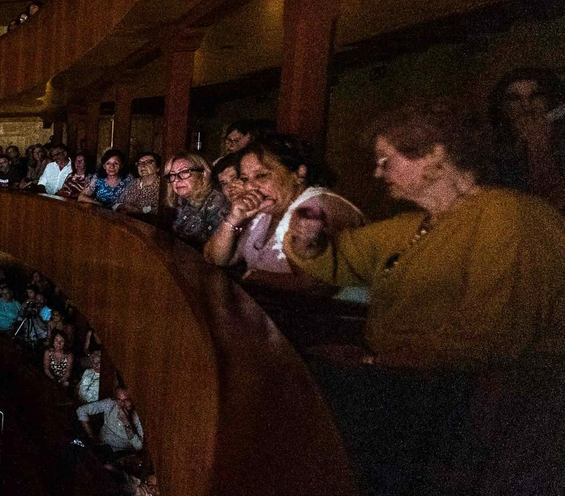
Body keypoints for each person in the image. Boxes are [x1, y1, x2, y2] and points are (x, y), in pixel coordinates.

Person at [285, 99, 565, 370]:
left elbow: (490, 336)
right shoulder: (412, 224)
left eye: (385, 161)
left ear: (435, 155)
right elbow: (342, 256)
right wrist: (309, 241)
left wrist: (372, 362)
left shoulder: (509, 216)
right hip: (406, 378)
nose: (377, 173)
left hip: (469, 397)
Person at [204, 134, 362, 286]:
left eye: (261, 176)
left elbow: (316, 285)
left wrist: (256, 277)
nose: (250, 187)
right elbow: (215, 259)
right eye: (245, 179)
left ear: (299, 173)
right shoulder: (266, 209)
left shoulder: (317, 207)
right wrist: (233, 219)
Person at [488, 67, 564, 205]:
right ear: (503, 107)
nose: (526, 106)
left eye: (535, 96)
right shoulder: (493, 153)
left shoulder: (561, 142)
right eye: (515, 98)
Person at [165, 152, 231, 246]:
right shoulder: (182, 200)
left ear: (203, 174)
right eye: (172, 175)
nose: (177, 180)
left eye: (184, 172)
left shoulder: (217, 203)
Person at [76, 386, 144, 458]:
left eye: (126, 400)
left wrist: (126, 422)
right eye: (119, 400)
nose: (122, 405)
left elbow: (138, 446)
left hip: (119, 452)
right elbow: (81, 410)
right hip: (101, 444)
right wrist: (91, 436)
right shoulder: (110, 403)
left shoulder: (138, 418)